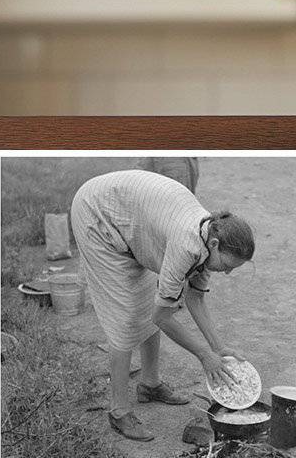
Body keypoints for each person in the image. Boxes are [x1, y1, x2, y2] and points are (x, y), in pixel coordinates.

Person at [70, 169, 254, 442]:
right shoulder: (188, 244)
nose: (225, 273)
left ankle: (150, 384)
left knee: (148, 298)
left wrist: (218, 347)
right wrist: (204, 355)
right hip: (98, 214)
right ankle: (119, 411)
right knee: (127, 317)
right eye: (226, 266)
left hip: (128, 215)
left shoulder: (208, 235)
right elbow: (162, 317)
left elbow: (195, 296)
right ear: (215, 244)